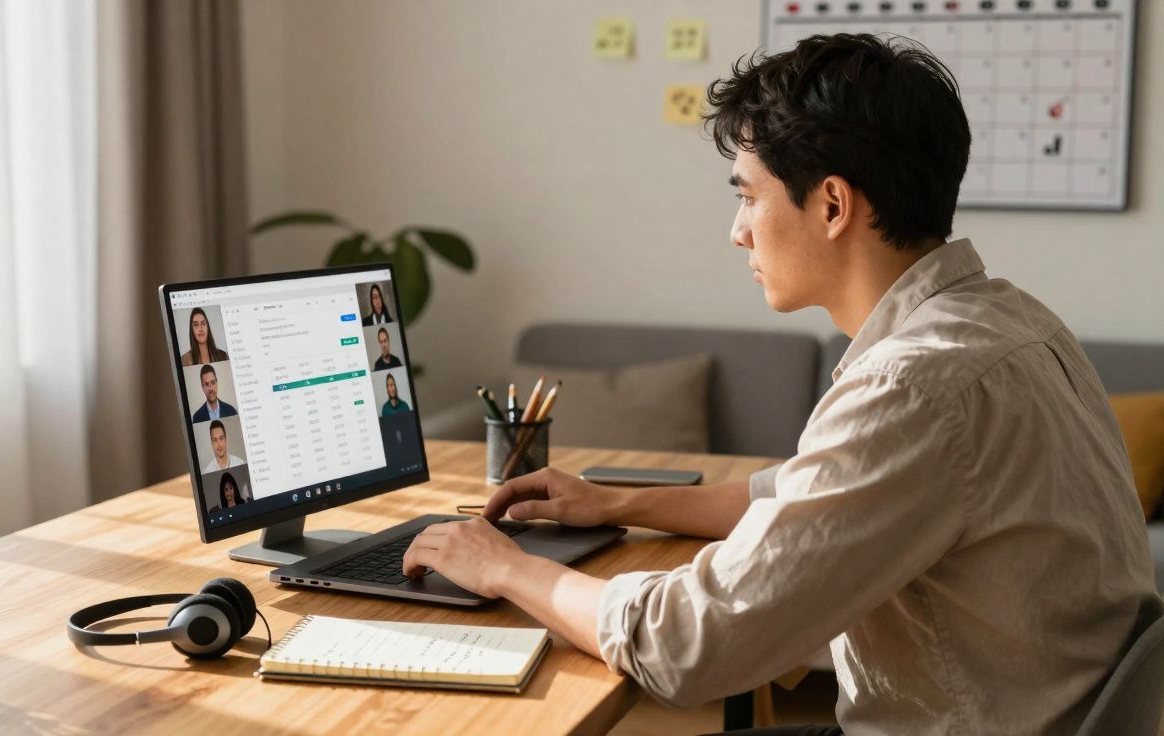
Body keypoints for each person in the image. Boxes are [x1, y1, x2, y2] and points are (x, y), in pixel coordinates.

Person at [400, 34, 1157, 735]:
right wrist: (622, 502)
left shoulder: (914, 383)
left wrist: (503, 565)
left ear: (832, 204)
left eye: (748, 195)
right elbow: (819, 499)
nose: (738, 230)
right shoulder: (1010, 320)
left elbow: (688, 647)